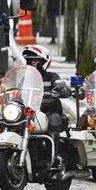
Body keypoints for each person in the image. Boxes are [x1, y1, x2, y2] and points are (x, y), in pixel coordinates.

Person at [23, 44, 70, 173]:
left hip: (48, 111)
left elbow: (61, 87)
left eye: (36, 60)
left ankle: (54, 159)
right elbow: (13, 89)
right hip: (29, 112)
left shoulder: (51, 76)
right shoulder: (23, 78)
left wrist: (61, 89)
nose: (33, 63)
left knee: (54, 119)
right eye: (30, 60)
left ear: (44, 62)